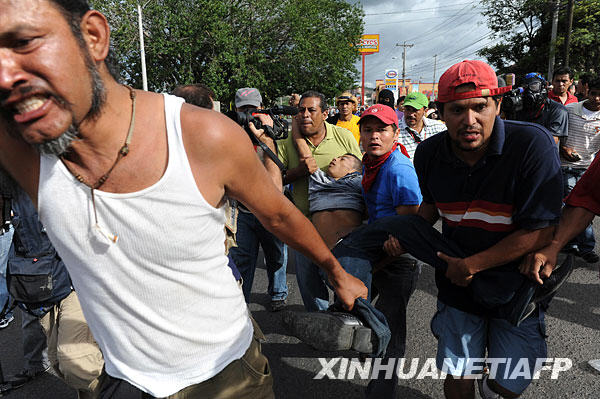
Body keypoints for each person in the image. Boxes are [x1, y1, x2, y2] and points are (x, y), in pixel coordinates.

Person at [0, 2, 367, 398]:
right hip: (123, 381)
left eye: (24, 42)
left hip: (225, 376)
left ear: (93, 37)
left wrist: (336, 272)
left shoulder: (201, 136)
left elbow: (278, 214)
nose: (4, 76)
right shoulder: (21, 152)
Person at [1, 170, 104, 398]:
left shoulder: (65, 172)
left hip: (76, 280)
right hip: (41, 285)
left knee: (76, 363)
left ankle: (117, 375)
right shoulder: (11, 185)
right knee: (58, 364)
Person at [358, 104, 423, 398]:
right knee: (367, 316)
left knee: (391, 330)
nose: (374, 136)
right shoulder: (371, 163)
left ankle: (381, 392)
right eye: (368, 130)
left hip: (399, 260)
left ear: (395, 133)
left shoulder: (398, 168)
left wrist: (384, 258)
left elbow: (410, 224)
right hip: (378, 254)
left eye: (381, 129)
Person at [278, 90, 362, 311]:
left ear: (325, 113)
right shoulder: (287, 143)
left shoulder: (344, 137)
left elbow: (360, 171)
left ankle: (342, 323)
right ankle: (320, 324)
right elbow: (276, 179)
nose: (305, 114)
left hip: (341, 230)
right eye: (301, 110)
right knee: (309, 283)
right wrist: (298, 172)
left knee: (341, 280)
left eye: (311, 110)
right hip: (303, 227)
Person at [226, 88, 289, 311]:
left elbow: (284, 169)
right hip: (242, 210)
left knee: (276, 255)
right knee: (242, 259)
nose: (249, 114)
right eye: (244, 110)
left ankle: (278, 292)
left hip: (270, 209)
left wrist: (269, 136)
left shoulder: (277, 132)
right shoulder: (229, 134)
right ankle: (241, 304)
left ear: (262, 108)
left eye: (254, 109)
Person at [558, 76, 600, 264]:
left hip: (588, 169)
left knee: (583, 207)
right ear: (587, 91)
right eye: (594, 94)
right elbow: (557, 137)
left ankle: (577, 244)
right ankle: (581, 245)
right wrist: (563, 149)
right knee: (575, 206)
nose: (597, 99)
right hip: (566, 167)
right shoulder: (569, 110)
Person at [511, 73, 569, 147]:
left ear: (544, 88)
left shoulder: (558, 110)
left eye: (534, 87)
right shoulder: (519, 108)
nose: (529, 92)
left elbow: (549, 142)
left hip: (542, 156)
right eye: (525, 88)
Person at [397, 91, 446, 159]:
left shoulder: (439, 128)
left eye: (415, 110)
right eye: (408, 109)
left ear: (425, 110)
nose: (411, 114)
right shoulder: (394, 130)